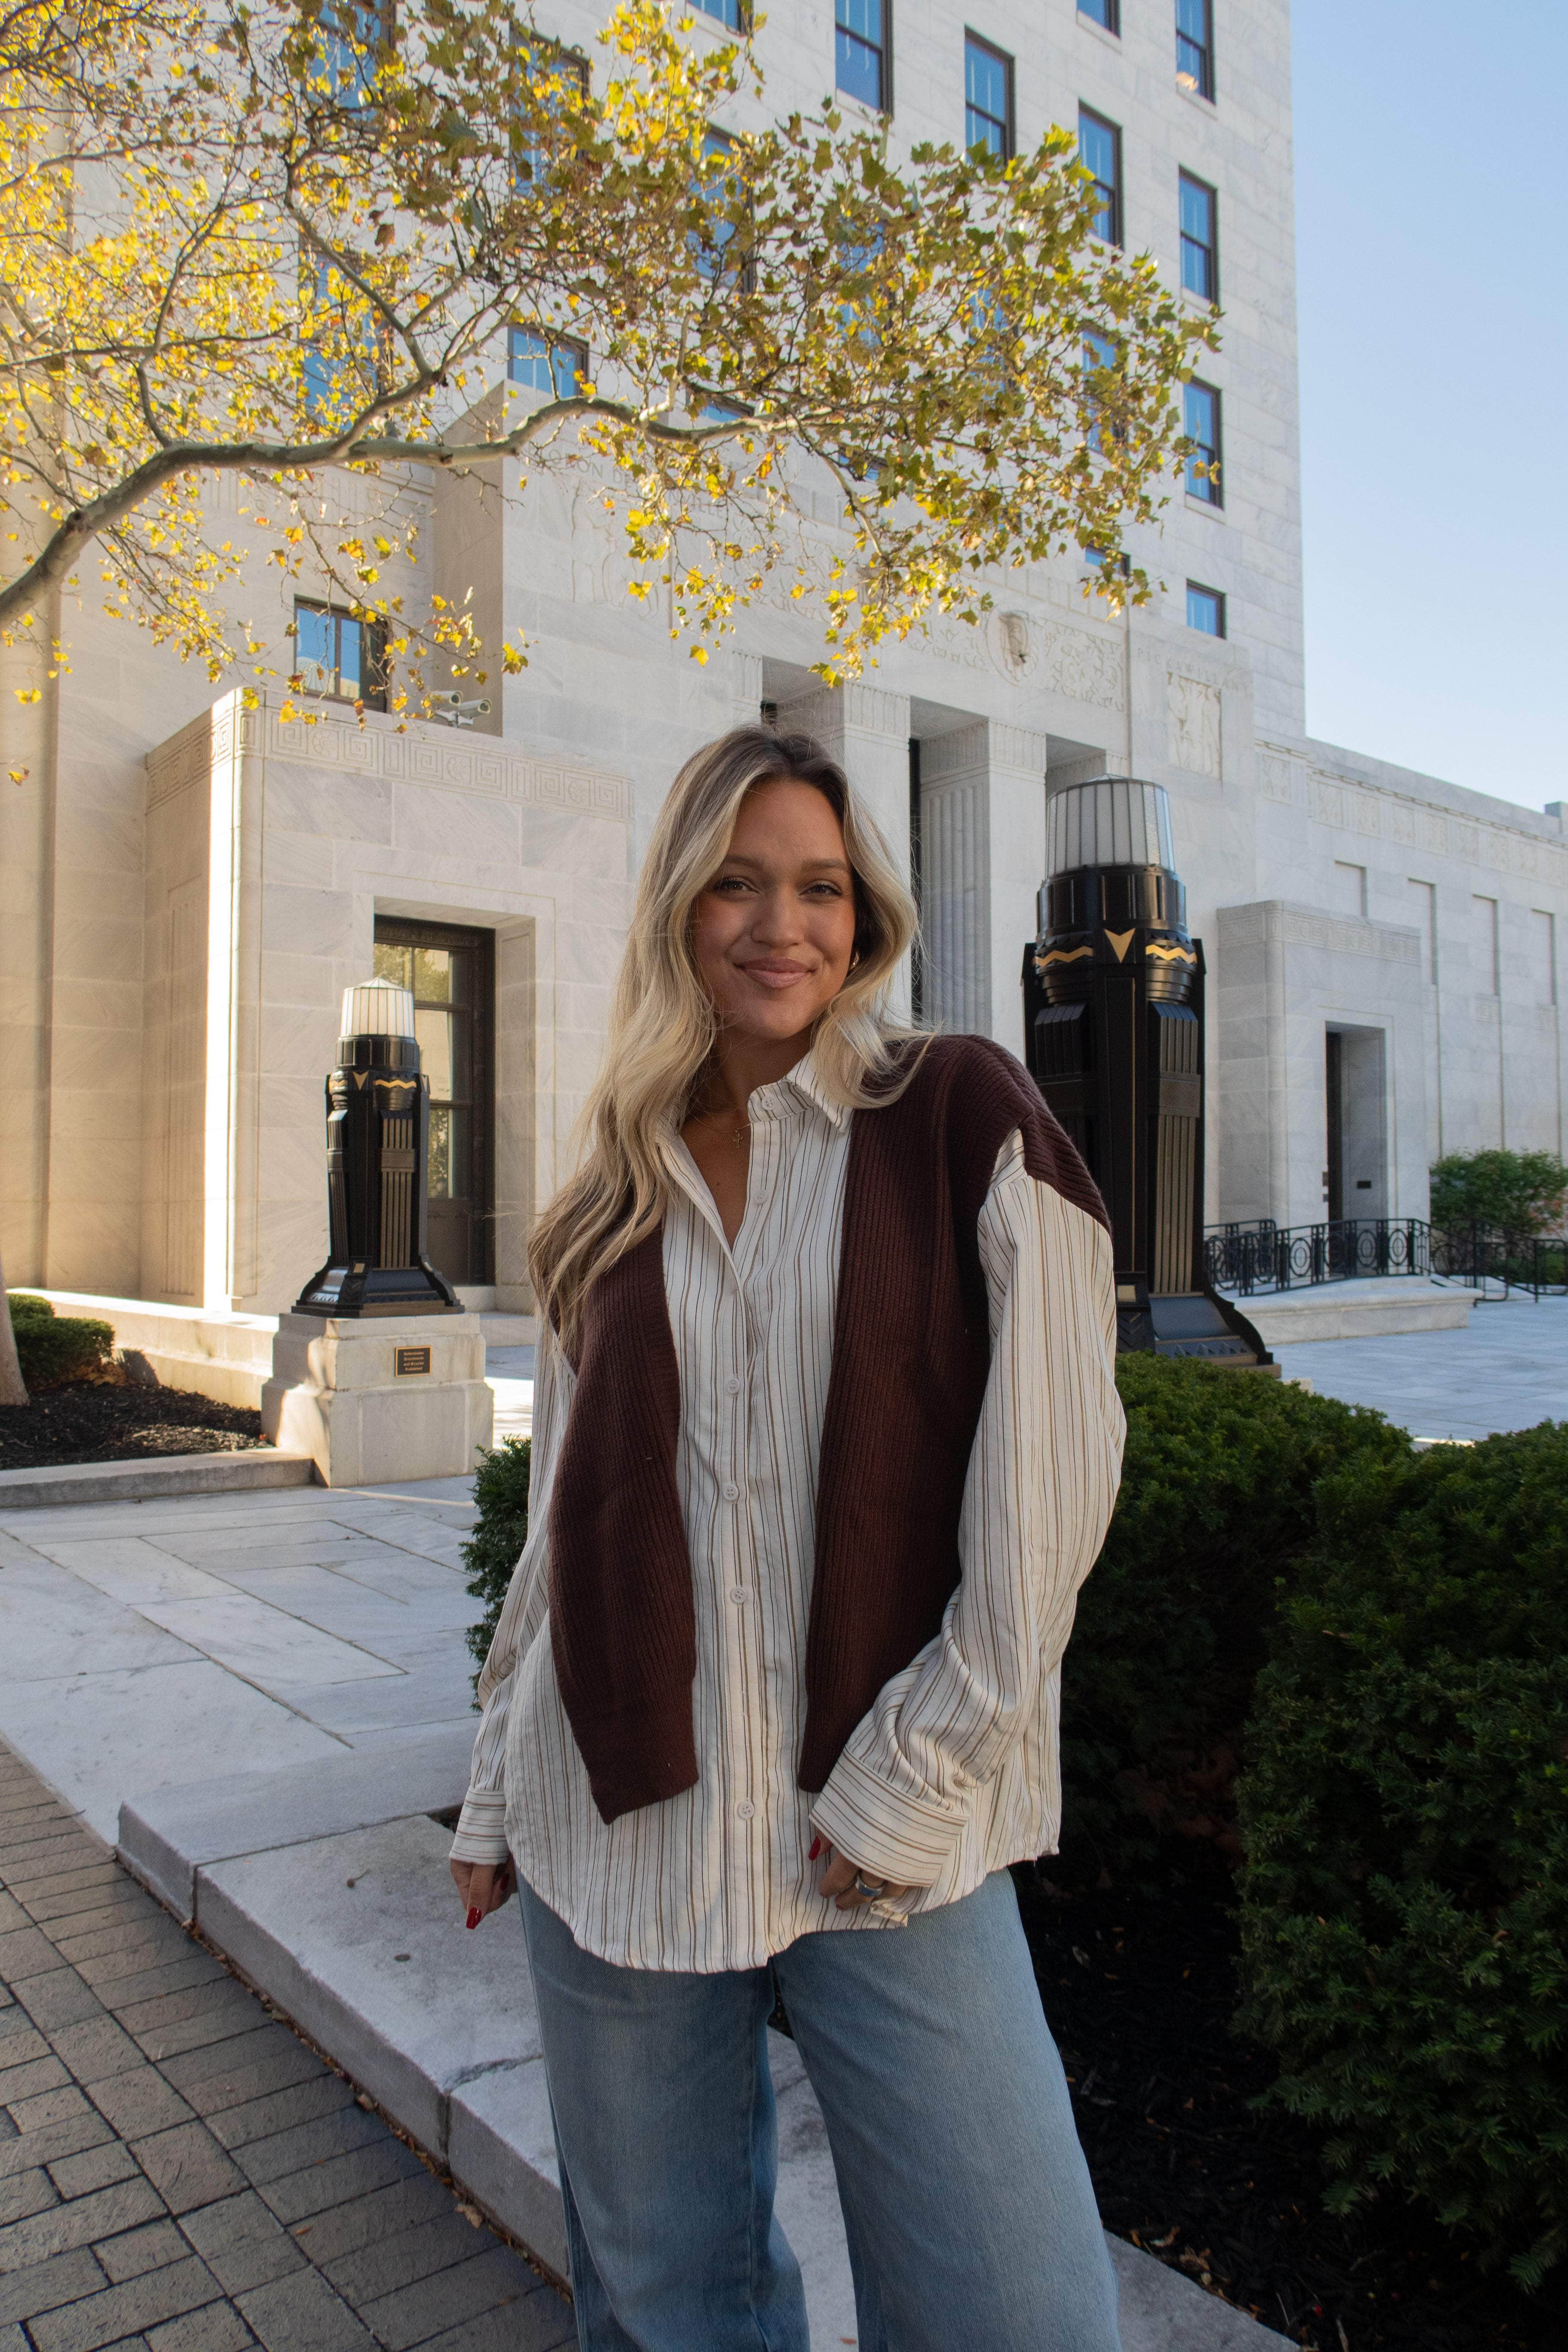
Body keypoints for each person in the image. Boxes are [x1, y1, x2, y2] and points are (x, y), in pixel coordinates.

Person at [448, 725, 1125, 2352]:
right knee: (671, 2309)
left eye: (822, 888)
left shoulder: (960, 1112)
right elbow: (561, 1533)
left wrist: (916, 1772)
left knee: (1020, 2316)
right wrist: (491, 1795)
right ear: (678, 909)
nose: (783, 926)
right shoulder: (607, 1195)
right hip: (619, 1839)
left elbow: (1053, 1487)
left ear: (868, 914)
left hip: (886, 1832)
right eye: (737, 884)